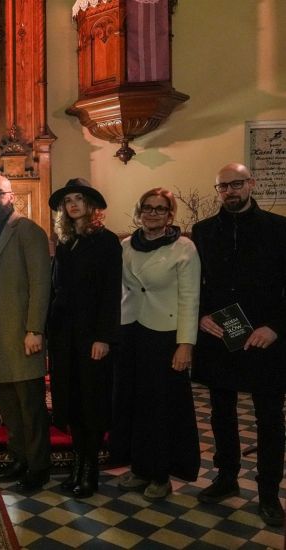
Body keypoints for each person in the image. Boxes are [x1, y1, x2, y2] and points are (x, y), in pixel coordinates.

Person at [192, 163, 286, 527]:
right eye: (222, 186)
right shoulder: (202, 231)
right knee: (221, 412)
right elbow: (193, 283)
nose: (230, 191)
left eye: (236, 184)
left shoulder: (279, 229)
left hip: (266, 337)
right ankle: (227, 478)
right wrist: (201, 315)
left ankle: (268, 494)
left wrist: (276, 328)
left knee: (269, 419)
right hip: (220, 334)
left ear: (251, 184)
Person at [112, 187, 200, 501]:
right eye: (148, 207)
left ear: (169, 214)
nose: (153, 213)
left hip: (165, 333)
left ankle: (161, 474)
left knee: (161, 407)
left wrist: (185, 344)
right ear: (139, 211)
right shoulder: (125, 246)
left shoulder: (184, 247)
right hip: (131, 329)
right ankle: (138, 467)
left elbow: (190, 298)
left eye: (160, 209)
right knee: (133, 402)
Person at [47, 178, 122, 498]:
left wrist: (103, 337)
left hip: (93, 334)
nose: (73, 204)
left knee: (91, 401)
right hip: (65, 335)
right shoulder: (65, 242)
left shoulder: (106, 242)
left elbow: (111, 292)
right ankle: (77, 466)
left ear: (91, 206)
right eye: (68, 201)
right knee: (72, 400)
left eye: (79, 199)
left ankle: (90, 471)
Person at [0, 175, 51, 491]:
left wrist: (35, 329)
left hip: (22, 334)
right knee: (8, 406)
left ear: (11, 197)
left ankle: (38, 468)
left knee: (30, 408)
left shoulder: (28, 231)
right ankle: (18, 459)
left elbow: (40, 282)